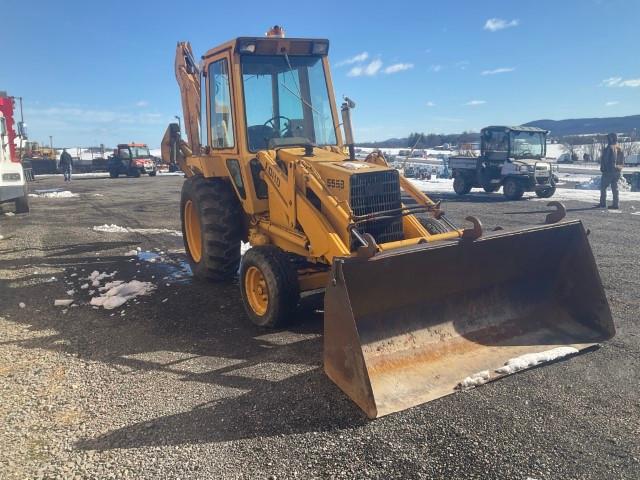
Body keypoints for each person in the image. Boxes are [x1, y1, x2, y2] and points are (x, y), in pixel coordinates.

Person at [598, 133, 625, 209]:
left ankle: (602, 203)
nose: (607, 140)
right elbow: (622, 161)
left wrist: (605, 169)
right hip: (617, 171)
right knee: (615, 187)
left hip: (609, 171)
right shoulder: (620, 147)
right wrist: (619, 168)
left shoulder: (610, 148)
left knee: (603, 187)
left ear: (611, 138)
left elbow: (608, 160)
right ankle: (615, 204)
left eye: (608, 138)